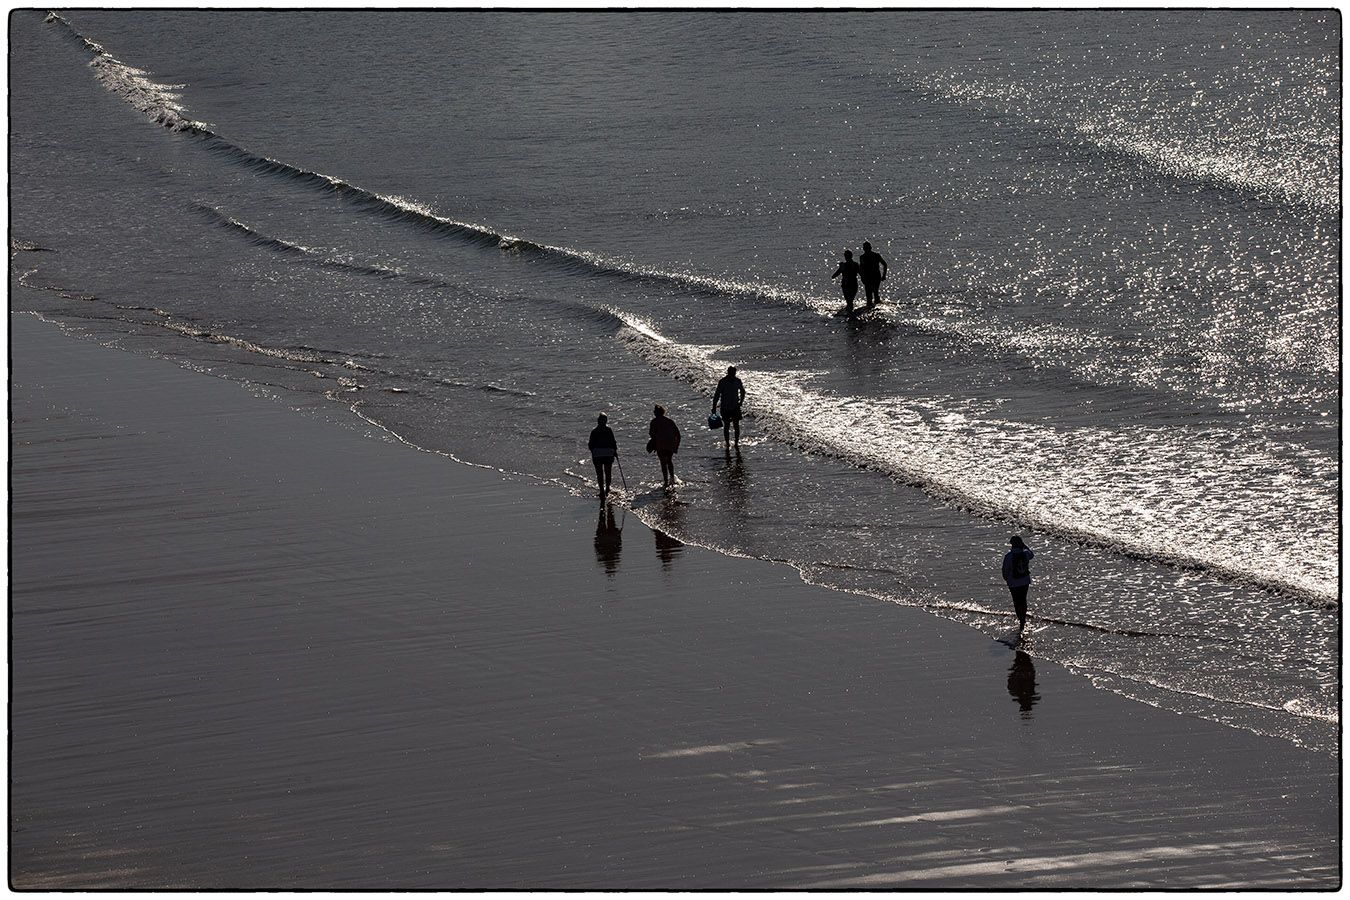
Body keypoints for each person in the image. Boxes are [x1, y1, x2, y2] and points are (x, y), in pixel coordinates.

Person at [1001, 535, 1035, 629]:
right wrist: (1024, 546)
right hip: (1024, 580)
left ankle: (1021, 619)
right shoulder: (1025, 553)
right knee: (1023, 600)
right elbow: (1032, 554)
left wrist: (1007, 579)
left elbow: (1005, 570)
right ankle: (1023, 618)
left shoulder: (1009, 556)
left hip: (1013, 582)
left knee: (1016, 601)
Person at [711, 366, 746, 448]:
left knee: (736, 425)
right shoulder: (722, 381)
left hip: (735, 406)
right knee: (727, 425)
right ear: (728, 372)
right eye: (732, 373)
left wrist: (741, 402)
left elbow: (743, 391)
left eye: (734, 373)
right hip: (725, 407)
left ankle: (736, 442)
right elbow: (717, 395)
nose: (733, 374)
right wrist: (714, 407)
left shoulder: (737, 381)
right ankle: (727, 443)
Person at [647, 404, 681, 487]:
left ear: (656, 413)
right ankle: (672, 479)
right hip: (670, 443)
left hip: (660, 444)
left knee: (663, 462)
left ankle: (666, 481)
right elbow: (677, 434)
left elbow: (651, 434)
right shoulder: (669, 421)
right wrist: (676, 445)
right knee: (669, 461)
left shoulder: (654, 422)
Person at [588, 413, 618, 497]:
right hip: (608, 454)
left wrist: (593, 452)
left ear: (598, 421)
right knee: (608, 472)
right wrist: (615, 452)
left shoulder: (594, 431)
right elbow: (613, 442)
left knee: (599, 474)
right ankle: (607, 488)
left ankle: (601, 490)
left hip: (597, 454)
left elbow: (590, 445)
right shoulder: (608, 430)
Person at [831, 249, 861, 317]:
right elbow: (861, 274)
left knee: (849, 301)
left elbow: (835, 275)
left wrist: (839, 270)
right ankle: (851, 314)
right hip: (853, 284)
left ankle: (849, 314)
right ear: (851, 256)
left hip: (846, 285)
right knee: (850, 300)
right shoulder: (855, 264)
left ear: (845, 257)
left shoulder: (844, 265)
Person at [859, 241, 888, 308]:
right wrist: (862, 277)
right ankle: (875, 306)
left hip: (873, 276)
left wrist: (884, 275)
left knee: (871, 293)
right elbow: (861, 269)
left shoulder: (868, 256)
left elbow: (884, 264)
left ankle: (872, 307)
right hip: (871, 277)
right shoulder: (864, 257)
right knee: (873, 293)